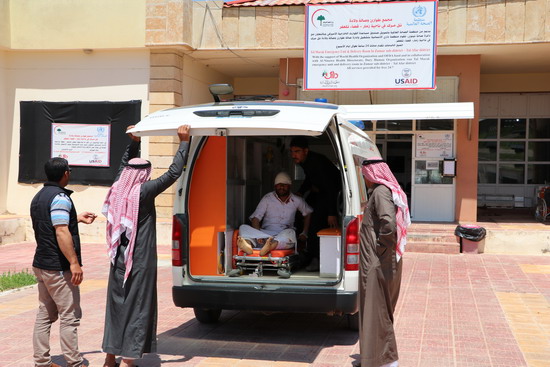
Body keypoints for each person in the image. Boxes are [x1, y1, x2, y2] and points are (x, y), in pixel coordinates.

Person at [101, 125, 190, 367]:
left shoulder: (119, 186)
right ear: (143, 175)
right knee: (137, 304)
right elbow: (172, 174)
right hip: (138, 257)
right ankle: (128, 360)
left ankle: (110, 358)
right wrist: (184, 142)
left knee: (116, 305)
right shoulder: (143, 191)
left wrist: (134, 142)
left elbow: (123, 165)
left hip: (118, 255)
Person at [31, 157, 97, 367]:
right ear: (65, 174)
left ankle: (41, 362)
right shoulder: (60, 197)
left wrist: (75, 218)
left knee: (44, 314)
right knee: (70, 316)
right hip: (57, 267)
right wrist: (74, 263)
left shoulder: (39, 196)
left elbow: (53, 223)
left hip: (41, 264)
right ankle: (74, 363)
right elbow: (60, 231)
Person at [357, 158, 411, 367]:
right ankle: (375, 359)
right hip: (381, 260)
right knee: (377, 310)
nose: (364, 179)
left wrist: (378, 249)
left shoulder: (380, 192)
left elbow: (388, 223)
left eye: (365, 175)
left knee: (377, 310)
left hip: (378, 261)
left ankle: (386, 360)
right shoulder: (384, 191)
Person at [289, 136, 341, 271]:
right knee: (301, 213)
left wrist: (331, 213)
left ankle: (316, 258)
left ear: (305, 151)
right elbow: (309, 179)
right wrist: (300, 192)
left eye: (297, 151)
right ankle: (305, 250)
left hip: (330, 194)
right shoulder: (305, 161)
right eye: (292, 151)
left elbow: (330, 187)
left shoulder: (317, 162)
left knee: (316, 223)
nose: (293, 155)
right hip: (319, 192)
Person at [237, 172, 312, 258]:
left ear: (289, 186)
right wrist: (258, 235)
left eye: (284, 184)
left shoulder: (296, 200)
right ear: (275, 186)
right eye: (279, 185)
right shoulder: (267, 198)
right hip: (264, 234)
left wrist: (304, 233)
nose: (281, 187)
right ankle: (248, 245)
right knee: (243, 227)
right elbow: (256, 218)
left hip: (283, 234)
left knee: (291, 232)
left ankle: (270, 246)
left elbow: (308, 213)